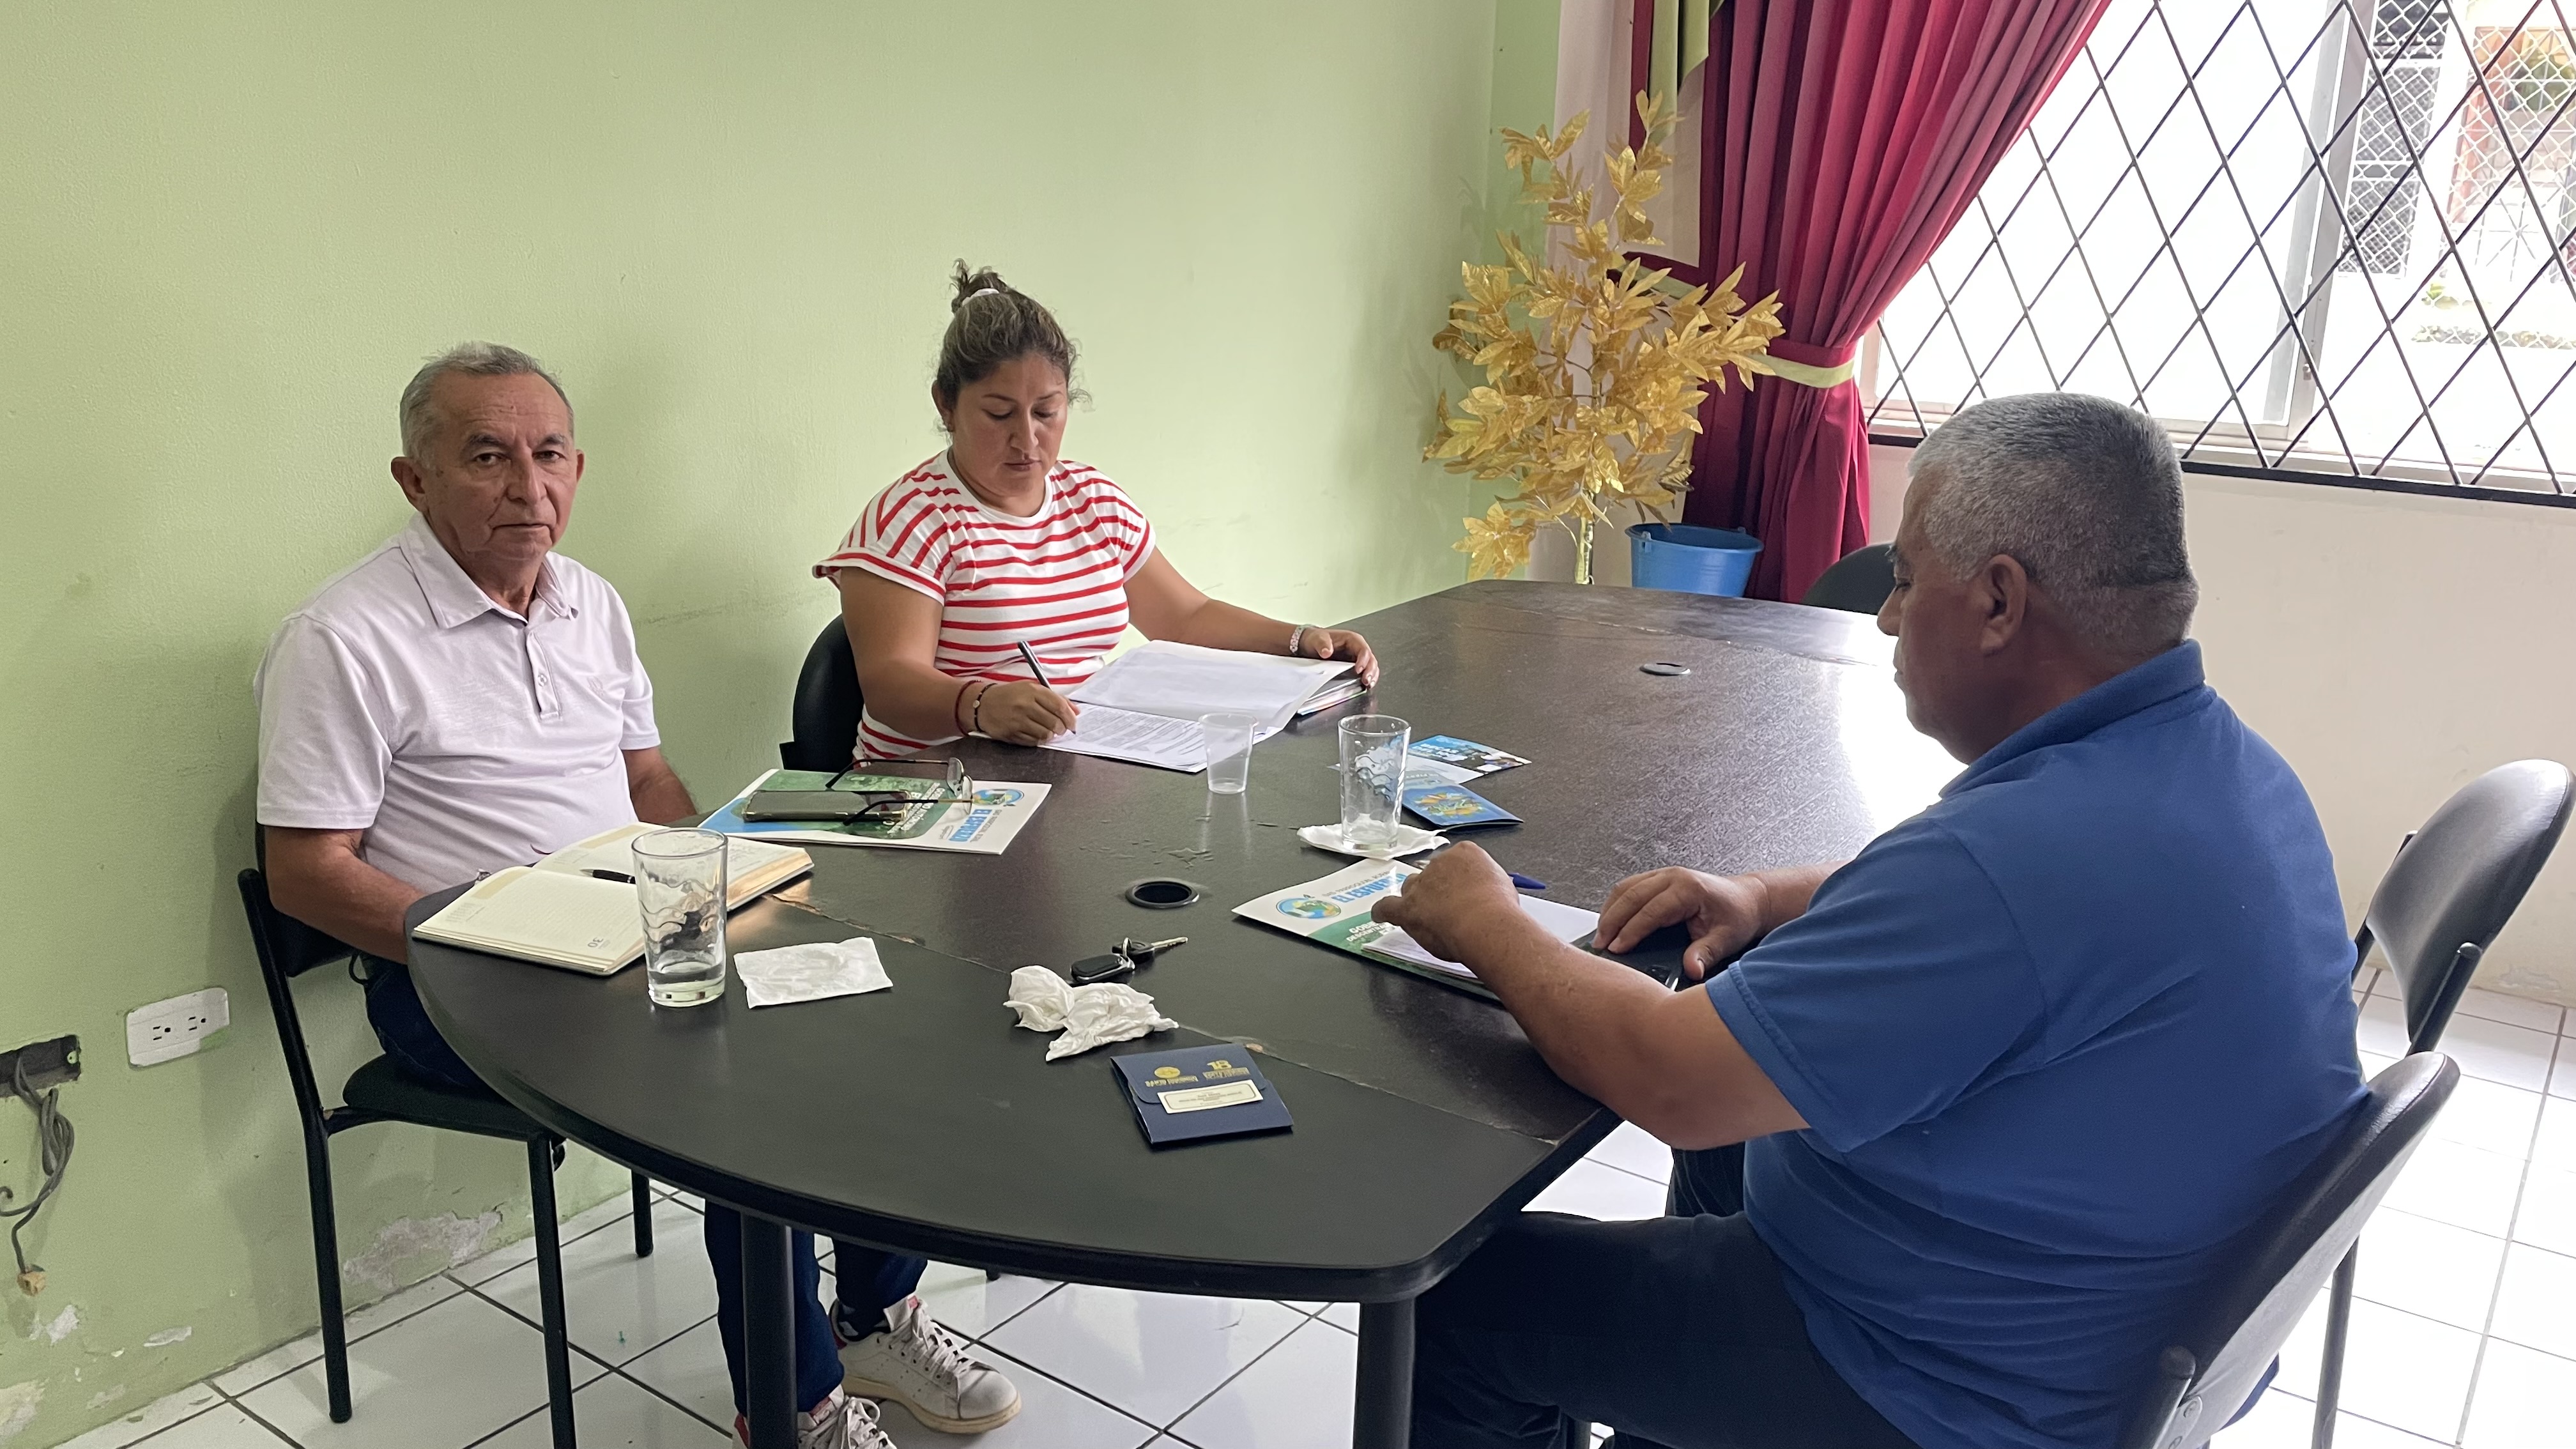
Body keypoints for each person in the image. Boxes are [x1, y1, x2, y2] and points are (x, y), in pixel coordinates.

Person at [1372, 393, 2368, 1449]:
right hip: (2092, 1325)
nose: (1888, 617)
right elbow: (1971, 912)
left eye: (1904, 579)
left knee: (1460, 1309)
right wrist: (1763, 896)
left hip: (1945, 1390)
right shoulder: (2223, 767)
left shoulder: (2017, 861)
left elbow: (1667, 1080)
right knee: (1740, 1112)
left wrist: (1483, 918)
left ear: (1997, 601)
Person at [254, 344, 1011, 1449]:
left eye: (550, 453)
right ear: (415, 480)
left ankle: (875, 1318)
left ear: (577, 467)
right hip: (460, 982)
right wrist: (484, 941)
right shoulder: (341, 639)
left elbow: (647, 778)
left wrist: (701, 881)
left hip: (635, 931)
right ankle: (794, 1408)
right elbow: (305, 872)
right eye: (487, 457)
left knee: (868, 1016)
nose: (528, 486)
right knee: (746, 1102)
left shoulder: (590, 602)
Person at [816, 262, 1377, 759]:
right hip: (936, 792)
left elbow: (1184, 616)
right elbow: (890, 683)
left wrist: (1301, 640)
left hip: (1072, 765)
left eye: (1046, 412)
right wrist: (979, 705)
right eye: (999, 414)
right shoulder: (909, 520)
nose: (1027, 440)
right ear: (946, 404)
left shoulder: (1093, 500)